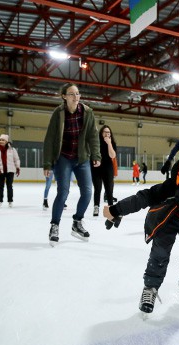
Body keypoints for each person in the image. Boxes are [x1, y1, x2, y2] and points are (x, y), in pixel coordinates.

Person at [103, 152, 179, 314]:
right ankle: (150, 288)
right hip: (168, 220)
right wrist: (116, 210)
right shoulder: (172, 187)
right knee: (159, 255)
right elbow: (144, 197)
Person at [43, 83, 101, 245]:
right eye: (71, 94)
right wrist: (47, 163)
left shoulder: (87, 112)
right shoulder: (58, 113)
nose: (76, 97)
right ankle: (55, 225)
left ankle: (77, 222)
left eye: (77, 94)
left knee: (88, 192)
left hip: (81, 158)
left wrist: (96, 155)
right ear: (64, 96)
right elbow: (49, 139)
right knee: (63, 192)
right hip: (63, 158)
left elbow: (93, 136)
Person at [91, 125, 117, 216]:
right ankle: (96, 207)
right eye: (105, 132)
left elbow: (112, 156)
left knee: (109, 189)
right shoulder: (96, 142)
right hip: (96, 168)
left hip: (108, 168)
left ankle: (110, 208)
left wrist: (109, 143)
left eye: (108, 132)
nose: (107, 134)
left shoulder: (112, 143)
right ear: (101, 133)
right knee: (97, 188)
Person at [0, 134, 20, 208]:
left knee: (9, 186)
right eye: (0, 140)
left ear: (6, 141)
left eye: (3, 140)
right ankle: (0, 201)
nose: (1, 141)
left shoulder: (12, 149)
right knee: (0, 186)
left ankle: (10, 201)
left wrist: (18, 167)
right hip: (0, 170)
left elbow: (16, 159)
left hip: (10, 170)